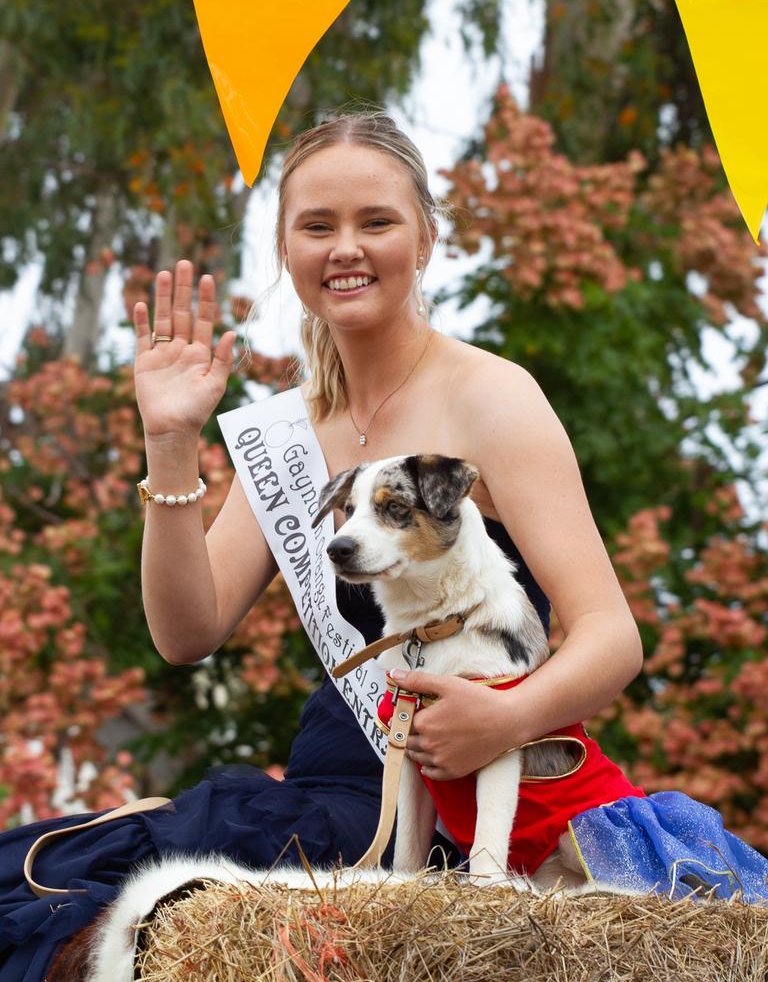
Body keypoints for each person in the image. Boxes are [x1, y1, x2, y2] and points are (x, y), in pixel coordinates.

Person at [0, 113, 764, 982]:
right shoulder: (289, 430)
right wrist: (170, 441)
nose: (345, 248)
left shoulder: (494, 400)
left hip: (470, 795)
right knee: (51, 888)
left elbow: (611, 636)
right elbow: (186, 632)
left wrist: (508, 717)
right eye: (317, 226)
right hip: (332, 789)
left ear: (427, 238)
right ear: (286, 249)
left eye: (376, 221)